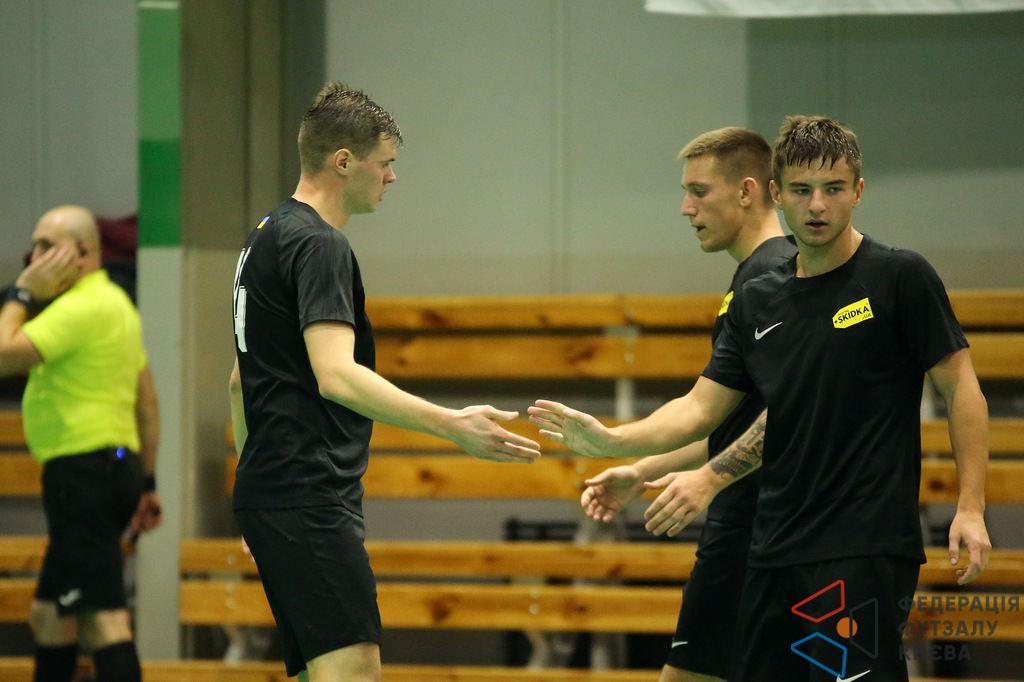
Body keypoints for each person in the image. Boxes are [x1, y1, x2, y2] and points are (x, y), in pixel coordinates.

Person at [530, 116, 990, 682]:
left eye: (833, 189)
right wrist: (612, 440)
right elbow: (702, 409)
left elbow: (960, 387)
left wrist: (970, 506)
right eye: (801, 190)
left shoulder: (899, 276)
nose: (816, 205)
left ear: (858, 191)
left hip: (861, 543)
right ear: (777, 192)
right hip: (772, 548)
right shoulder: (759, 300)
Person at [228, 82, 542, 682]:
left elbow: (240, 383)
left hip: (274, 490)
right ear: (344, 161)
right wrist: (450, 424)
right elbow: (337, 375)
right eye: (386, 163)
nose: (392, 177)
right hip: (308, 491)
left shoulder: (263, 235)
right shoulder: (319, 244)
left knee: (321, 671)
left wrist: (258, 490)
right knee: (353, 669)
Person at [581, 127, 794, 682]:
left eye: (699, 192)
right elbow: (730, 421)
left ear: (747, 191)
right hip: (749, 521)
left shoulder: (773, 278)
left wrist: (613, 440)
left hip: (762, 527)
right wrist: (641, 470)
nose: (685, 208)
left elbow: (791, 412)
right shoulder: (753, 278)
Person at [0, 205, 162, 682]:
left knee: (102, 620)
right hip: (113, 471)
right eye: (33, 246)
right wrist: (147, 482)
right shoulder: (116, 305)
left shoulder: (79, 307)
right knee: (50, 615)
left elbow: (3, 355)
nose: (35, 258)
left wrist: (21, 292)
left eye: (47, 247)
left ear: (85, 252)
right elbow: (147, 403)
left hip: (83, 478)